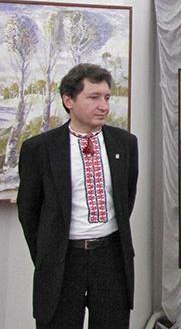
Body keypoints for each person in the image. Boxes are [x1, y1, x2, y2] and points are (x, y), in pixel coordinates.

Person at [17, 64, 138, 329]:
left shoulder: (125, 143)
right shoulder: (40, 148)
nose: (103, 106)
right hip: (63, 259)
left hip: (110, 258)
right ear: (68, 100)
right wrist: (48, 254)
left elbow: (126, 200)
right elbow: (28, 211)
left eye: (107, 97)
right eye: (93, 97)